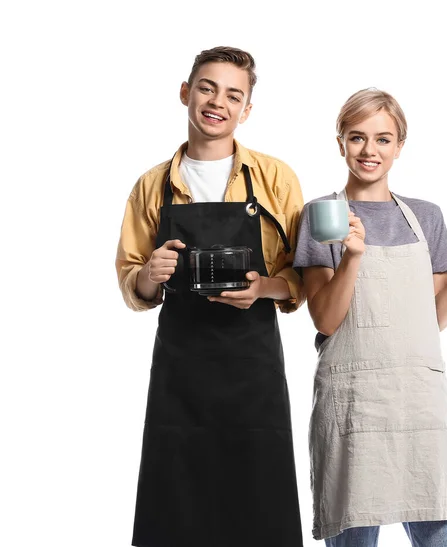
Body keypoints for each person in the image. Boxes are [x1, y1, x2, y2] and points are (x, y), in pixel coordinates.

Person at [293, 88, 447, 547]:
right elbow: (326, 321)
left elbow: (432, 319)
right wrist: (352, 258)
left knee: (441, 534)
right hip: (353, 399)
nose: (369, 151)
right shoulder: (323, 215)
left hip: (419, 399)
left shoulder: (427, 217)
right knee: (353, 537)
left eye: (383, 139)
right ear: (340, 143)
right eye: (356, 138)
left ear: (399, 146)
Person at [116, 46, 305, 547]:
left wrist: (263, 287)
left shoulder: (275, 178)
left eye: (232, 94)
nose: (217, 101)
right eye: (207, 87)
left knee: (259, 505)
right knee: (175, 507)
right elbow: (131, 281)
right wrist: (150, 274)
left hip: (253, 364)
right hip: (182, 366)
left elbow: (302, 278)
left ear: (246, 109)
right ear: (186, 92)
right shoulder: (151, 185)